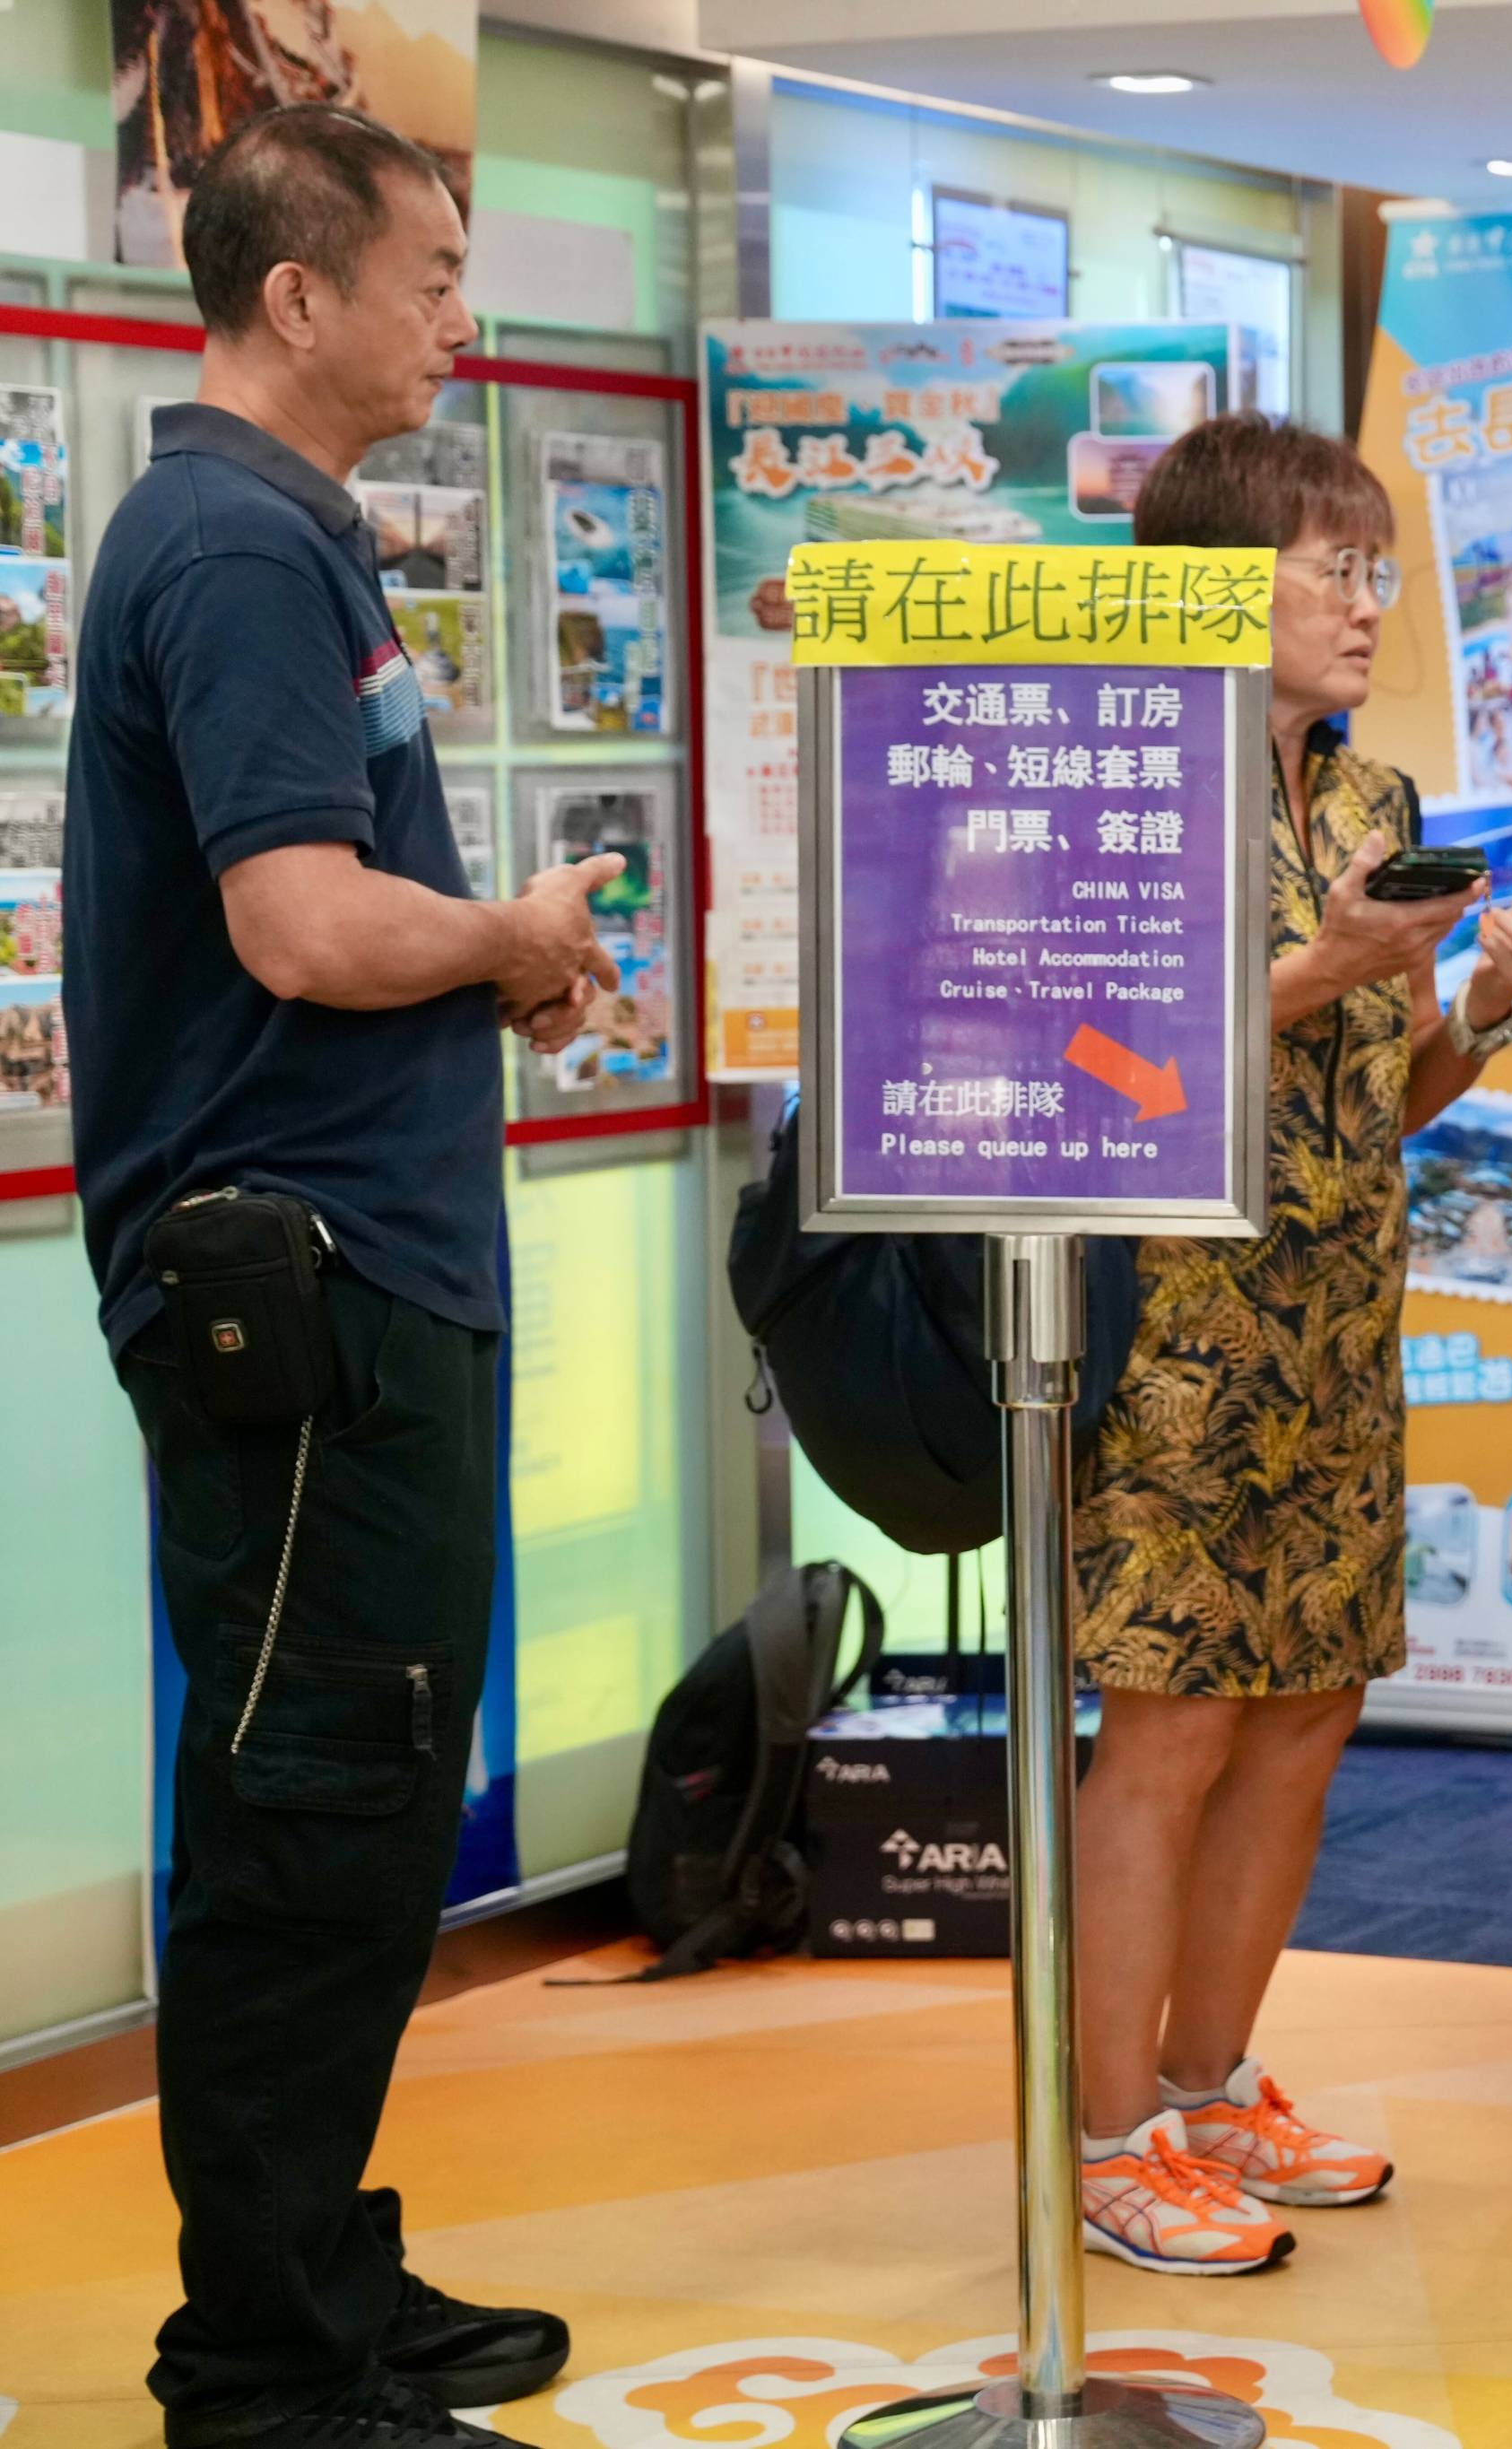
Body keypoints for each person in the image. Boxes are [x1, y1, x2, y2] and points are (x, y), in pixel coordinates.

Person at [61, 104, 616, 2449]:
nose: (461, 311)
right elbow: (298, 916)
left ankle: (324, 2272)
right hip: (299, 1291)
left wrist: (484, 953)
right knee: (309, 1812)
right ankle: (267, 2369)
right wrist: (512, 938)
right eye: (432, 271)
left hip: (368, 1272)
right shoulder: (226, 539)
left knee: (363, 1805)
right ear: (297, 296)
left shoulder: (288, 528)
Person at [1065, 414, 1512, 2275]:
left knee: (1305, 1714)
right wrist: (1314, 973)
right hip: (1173, 1327)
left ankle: (1209, 2084)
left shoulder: (1374, 811)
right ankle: (1105, 2128)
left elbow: (1390, 1092)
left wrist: (1493, 1003)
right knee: (1171, 1722)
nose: (1370, 605)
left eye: (1379, 568)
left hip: (1341, 1319)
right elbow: (1095, 1065)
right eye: (1334, 567)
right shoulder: (1119, 788)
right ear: (1217, 587)